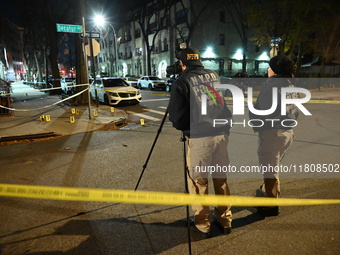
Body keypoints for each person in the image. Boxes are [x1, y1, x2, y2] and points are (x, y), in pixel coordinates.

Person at [167, 47, 233, 238]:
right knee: (221, 180)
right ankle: (225, 219)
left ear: (182, 64)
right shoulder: (214, 75)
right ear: (199, 60)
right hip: (221, 134)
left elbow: (177, 119)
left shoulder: (182, 81)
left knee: (198, 182)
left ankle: (203, 224)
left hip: (200, 137)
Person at [249, 55, 299, 217]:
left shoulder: (272, 88)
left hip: (273, 133)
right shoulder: (291, 86)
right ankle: (271, 193)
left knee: (270, 169)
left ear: (275, 70)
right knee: (274, 166)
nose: (267, 70)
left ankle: (271, 204)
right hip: (288, 132)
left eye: (269, 67)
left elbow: (261, 113)